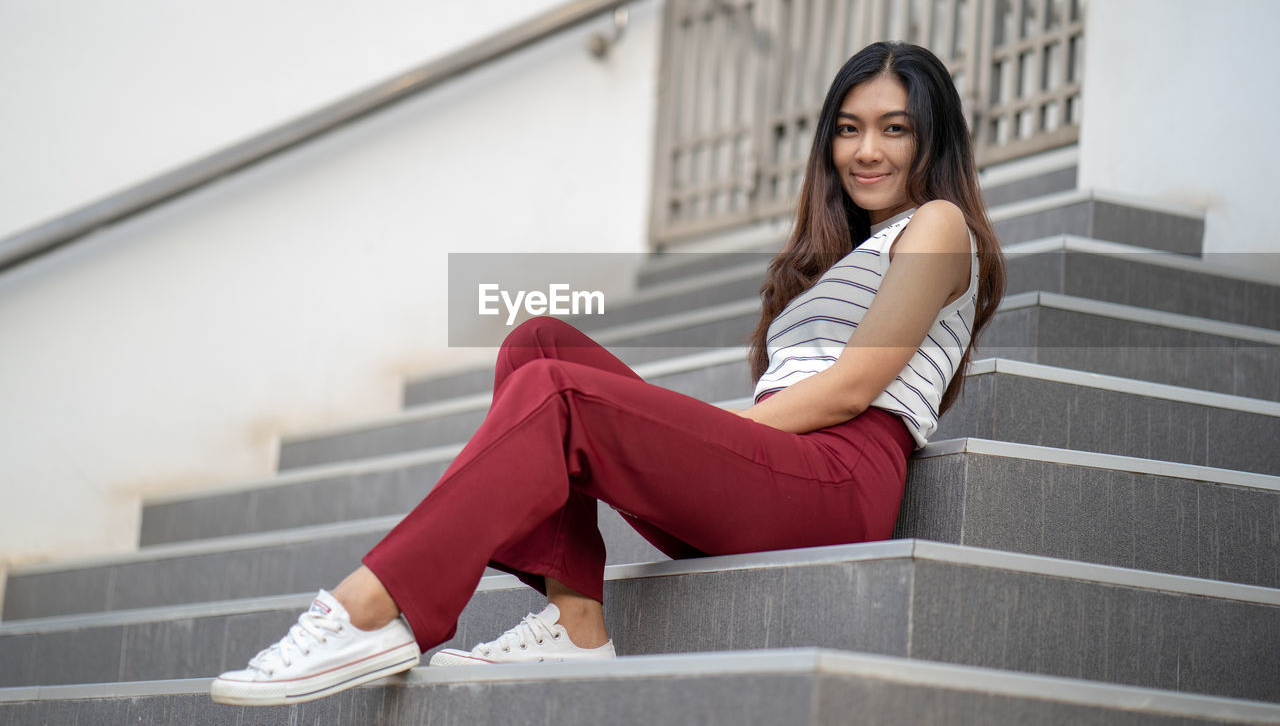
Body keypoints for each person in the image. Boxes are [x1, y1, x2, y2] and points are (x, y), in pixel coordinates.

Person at [210, 41, 1006, 706]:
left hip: (837, 482)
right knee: (538, 343)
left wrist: (714, 436)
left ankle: (371, 604)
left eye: (894, 128)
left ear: (932, 139)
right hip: (783, 470)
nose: (867, 149)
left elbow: (851, 388)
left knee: (563, 394)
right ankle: (577, 621)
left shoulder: (938, 226)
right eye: (848, 128)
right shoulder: (839, 258)